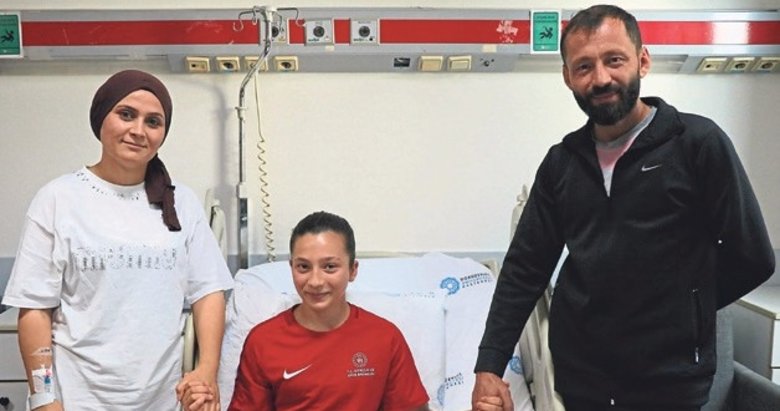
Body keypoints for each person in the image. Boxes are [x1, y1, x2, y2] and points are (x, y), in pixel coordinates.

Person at [472, 4, 775, 411]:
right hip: (581, 382)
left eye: (614, 60)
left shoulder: (696, 144)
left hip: (670, 384)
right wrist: (489, 366)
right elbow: (525, 269)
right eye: (584, 67)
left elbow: (752, 257)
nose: (600, 78)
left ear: (642, 60)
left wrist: (685, 309)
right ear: (567, 77)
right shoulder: (562, 164)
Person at [1, 69, 234, 411]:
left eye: (153, 122)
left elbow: (209, 291)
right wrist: (43, 397)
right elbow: (35, 308)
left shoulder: (181, 203)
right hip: (76, 400)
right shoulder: (58, 199)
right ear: (101, 118)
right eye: (126, 114)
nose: (138, 130)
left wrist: (207, 371)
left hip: (161, 400)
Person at [226, 211, 430, 411]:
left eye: (330, 267)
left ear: (352, 270)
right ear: (291, 268)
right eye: (303, 267)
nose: (315, 281)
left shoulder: (384, 338)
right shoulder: (263, 342)